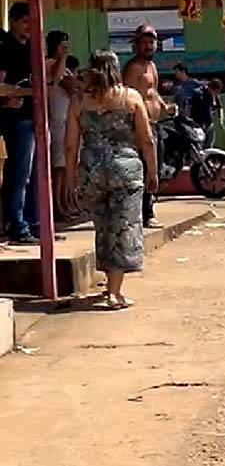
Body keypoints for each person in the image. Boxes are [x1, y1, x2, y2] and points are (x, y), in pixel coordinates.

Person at [64, 50, 158, 309]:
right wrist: (153, 171)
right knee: (123, 227)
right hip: (125, 169)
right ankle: (114, 293)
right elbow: (147, 140)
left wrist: (71, 177)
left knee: (103, 226)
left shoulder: (79, 101)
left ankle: (109, 285)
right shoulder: (130, 97)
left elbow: (71, 145)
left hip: (92, 170)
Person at [123, 24, 173, 229]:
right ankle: (146, 212)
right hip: (140, 126)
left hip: (155, 123)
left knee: (155, 167)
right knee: (143, 169)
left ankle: (148, 207)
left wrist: (165, 107)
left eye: (151, 42)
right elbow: (127, 95)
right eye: (144, 42)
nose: (148, 46)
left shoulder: (152, 66)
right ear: (137, 45)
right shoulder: (134, 67)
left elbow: (153, 93)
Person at [0, 2, 39, 245]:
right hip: (15, 117)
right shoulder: (5, 47)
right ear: (13, 21)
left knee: (22, 174)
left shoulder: (28, 49)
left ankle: (20, 222)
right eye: (25, 21)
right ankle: (18, 225)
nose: (28, 27)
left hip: (24, 116)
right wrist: (25, 92)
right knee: (19, 175)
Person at [46, 30, 76, 220]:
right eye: (61, 44)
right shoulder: (49, 63)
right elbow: (57, 79)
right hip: (56, 120)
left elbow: (74, 86)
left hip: (67, 119)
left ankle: (66, 201)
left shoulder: (64, 68)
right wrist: (62, 57)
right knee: (57, 167)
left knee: (66, 166)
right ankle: (56, 205)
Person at [191, 79, 223, 149]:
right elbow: (190, 106)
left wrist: (221, 119)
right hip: (198, 123)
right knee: (199, 145)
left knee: (209, 145)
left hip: (209, 124)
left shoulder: (214, 96)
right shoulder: (199, 93)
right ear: (210, 88)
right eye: (214, 91)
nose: (215, 93)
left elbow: (219, 107)